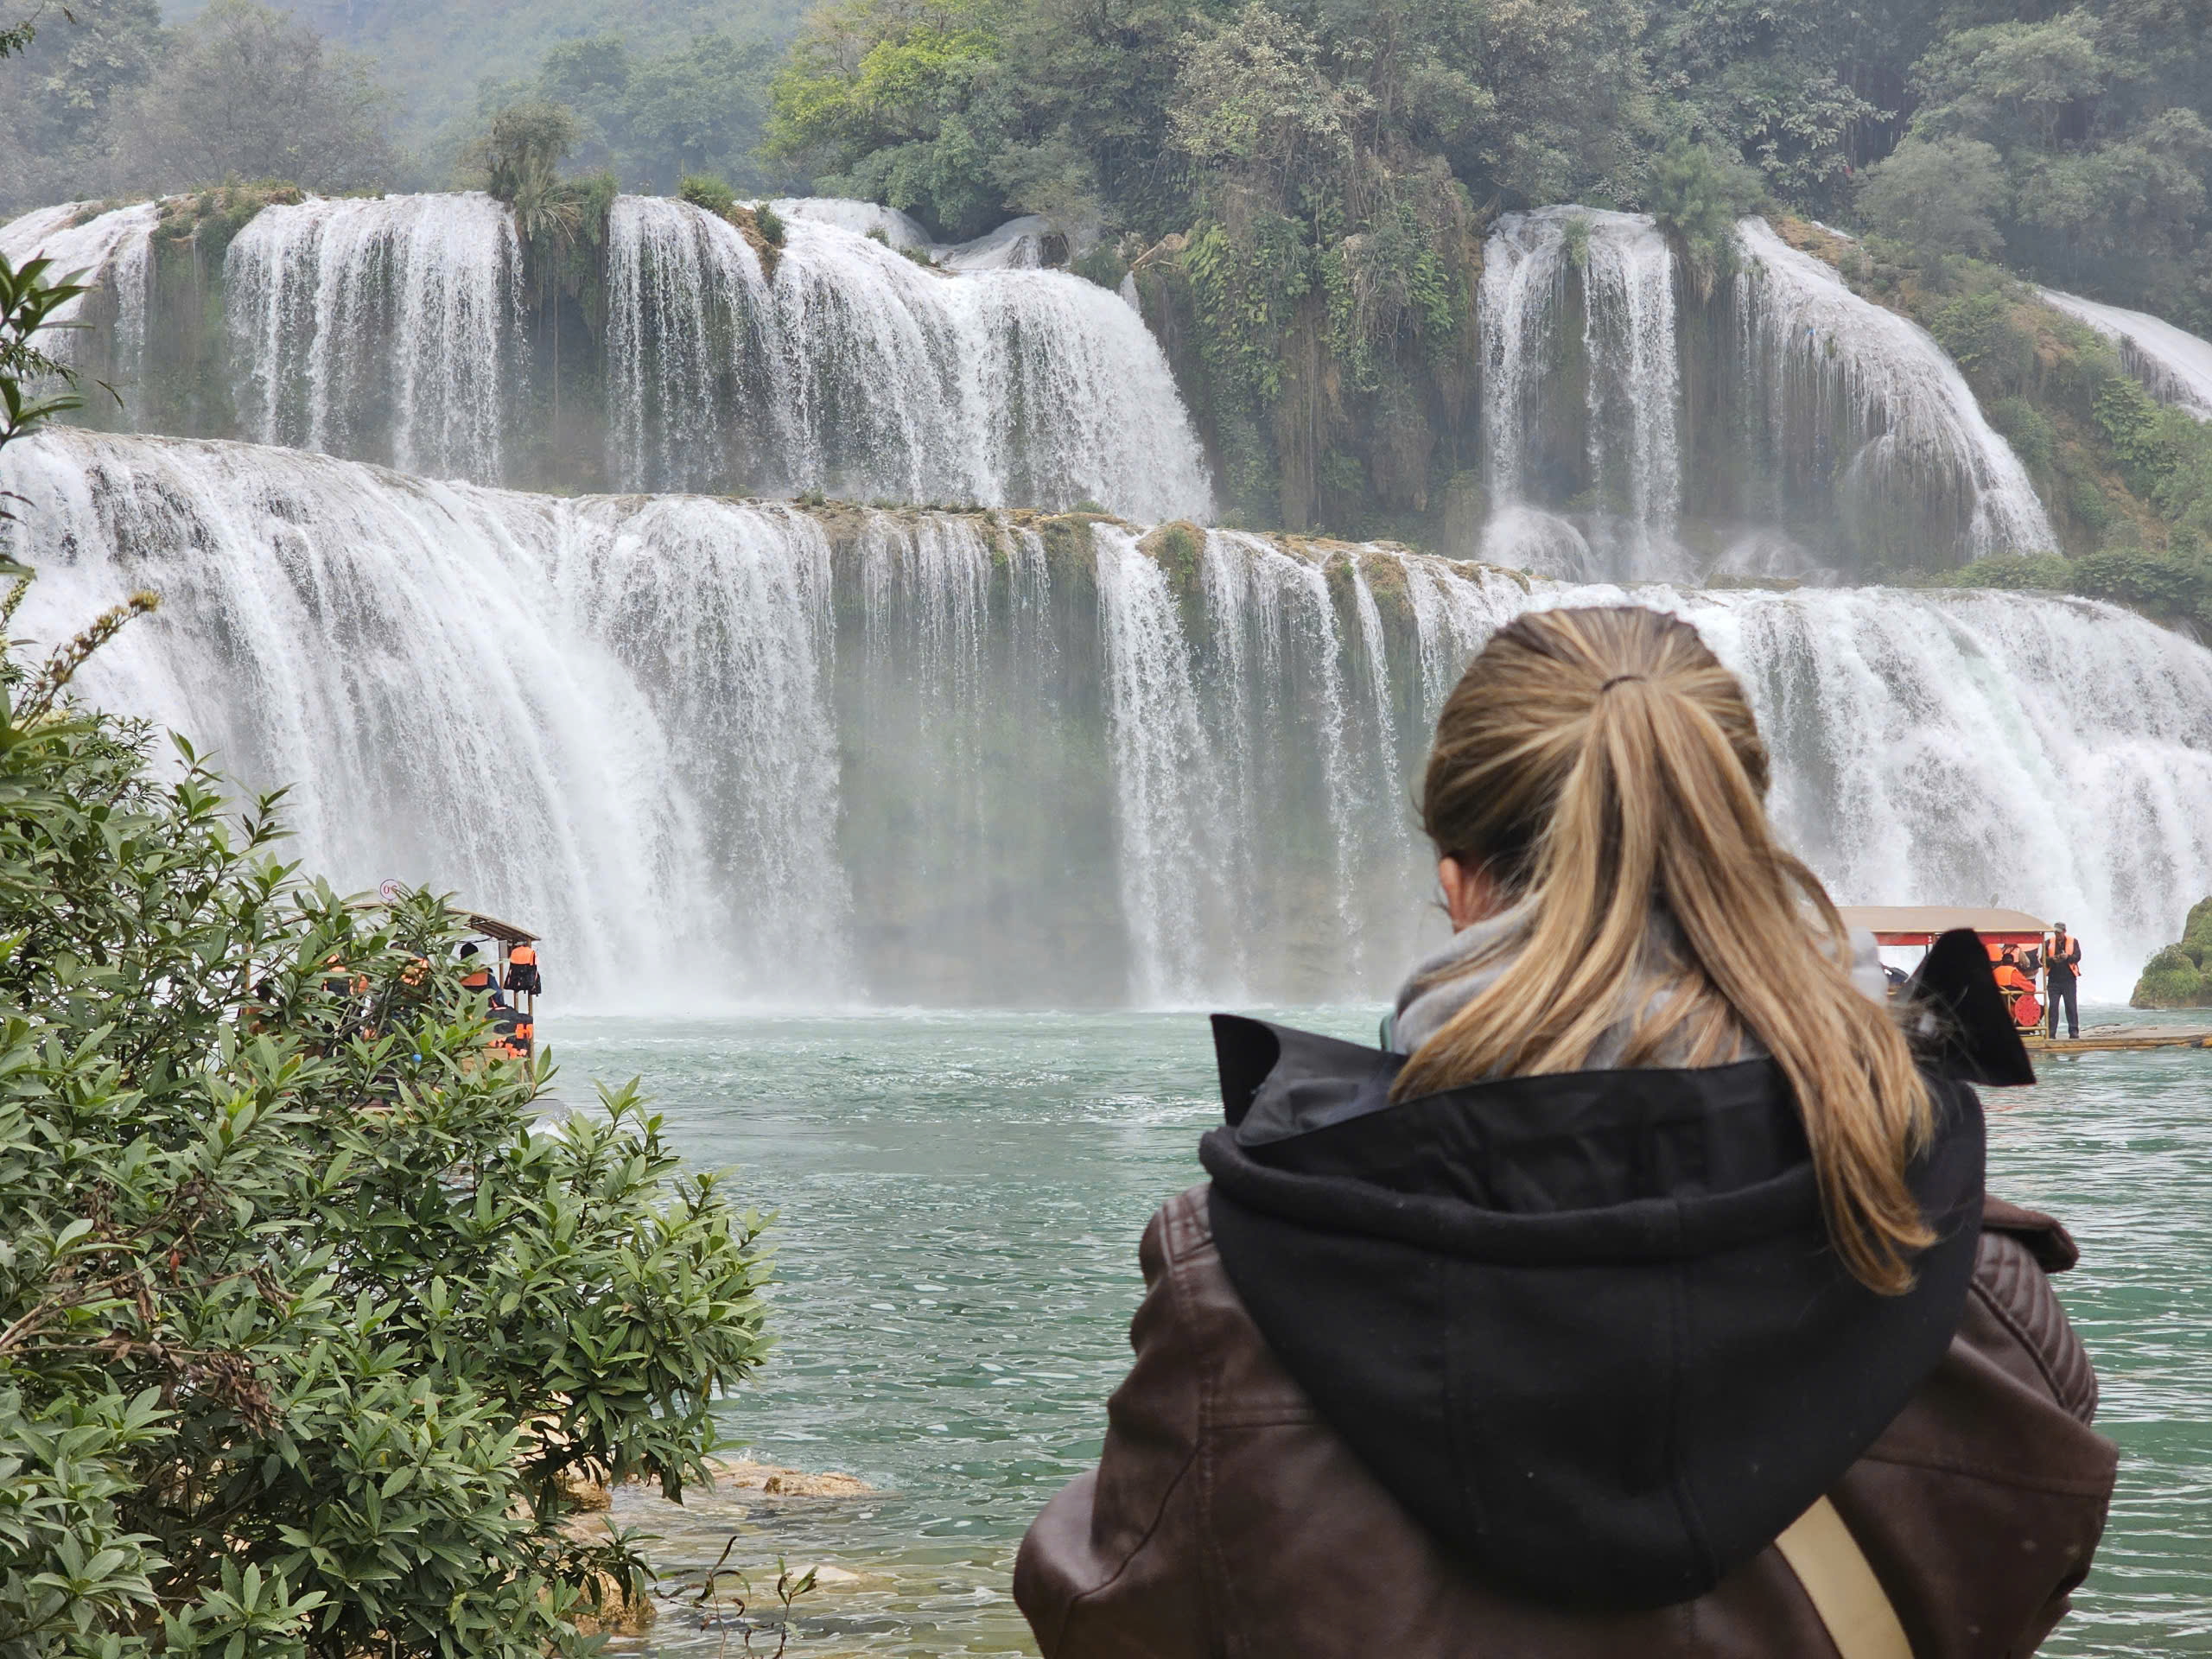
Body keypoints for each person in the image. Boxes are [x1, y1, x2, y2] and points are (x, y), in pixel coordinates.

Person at [1015, 607, 2114, 1658]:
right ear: (1740, 844)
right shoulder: (1981, 1303)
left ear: (1458, 889)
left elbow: (1114, 1617)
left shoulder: (1234, 1308)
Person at [2046, 924, 2082, 1039]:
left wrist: (2067, 957)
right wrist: (2053, 960)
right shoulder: (2048, 942)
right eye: (2055, 932)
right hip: (2053, 980)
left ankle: (2074, 1032)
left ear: (2064, 931)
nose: (2057, 935)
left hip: (2069, 980)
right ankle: (2051, 1033)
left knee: (2071, 1006)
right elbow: (2043, 959)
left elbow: (2078, 957)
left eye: (2059, 932)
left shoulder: (2073, 941)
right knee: (2053, 1007)